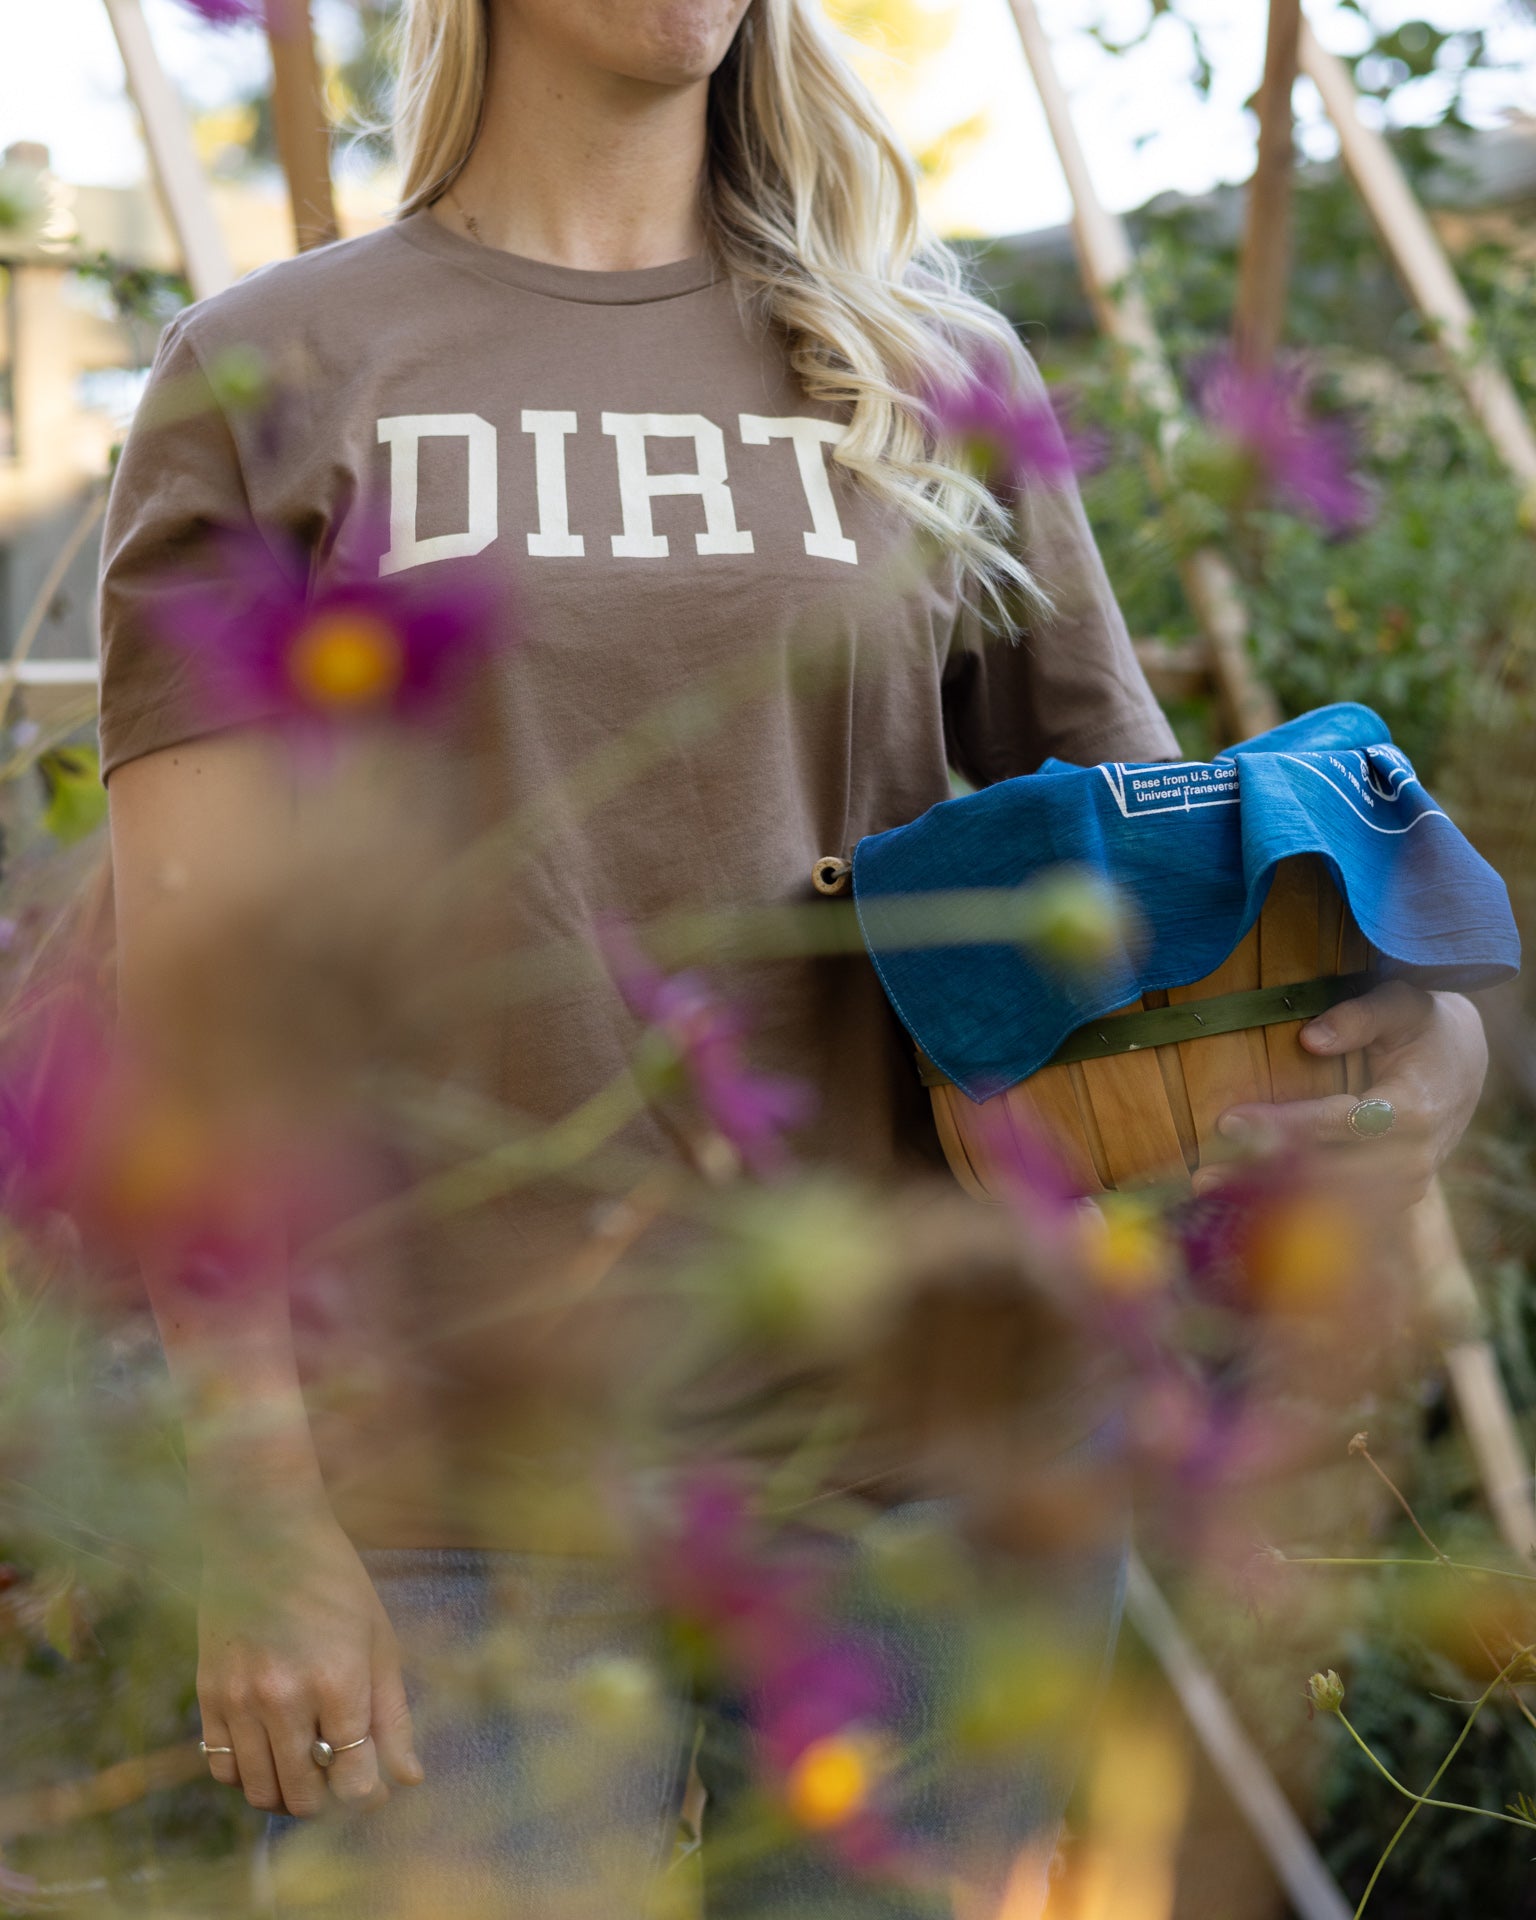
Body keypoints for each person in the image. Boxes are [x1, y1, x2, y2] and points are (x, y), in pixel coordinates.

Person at [99, 2, 1490, 1914]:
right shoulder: (277, 369)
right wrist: (259, 1516)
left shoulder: (931, 362)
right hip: (455, 1487)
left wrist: (1406, 1053)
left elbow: (1162, 889)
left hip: (922, 1479)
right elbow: (196, 1020)